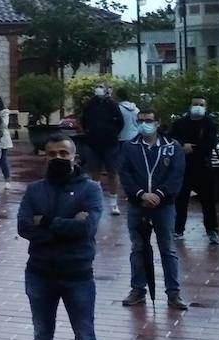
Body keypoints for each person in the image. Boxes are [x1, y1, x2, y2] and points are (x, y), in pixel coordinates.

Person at [16, 133, 102, 340]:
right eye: (52, 154)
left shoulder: (91, 190)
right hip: (40, 273)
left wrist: (48, 222)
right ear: (45, 156)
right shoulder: (34, 190)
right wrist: (67, 225)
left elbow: (87, 229)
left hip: (78, 274)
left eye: (64, 154)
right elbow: (24, 227)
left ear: (74, 157)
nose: (58, 159)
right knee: (42, 336)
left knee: (85, 337)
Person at [118, 107, 188, 310]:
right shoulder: (130, 147)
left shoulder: (172, 147)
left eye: (148, 120)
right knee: (138, 248)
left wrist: (159, 194)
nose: (144, 124)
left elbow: (176, 175)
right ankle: (138, 289)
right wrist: (140, 194)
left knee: (167, 248)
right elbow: (124, 173)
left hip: (163, 205)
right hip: (137, 204)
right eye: (140, 121)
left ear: (158, 123)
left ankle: (173, 292)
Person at [168, 96, 219, 244]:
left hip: (203, 167)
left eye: (201, 104)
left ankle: (212, 231)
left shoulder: (210, 124)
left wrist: (193, 148)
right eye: (195, 104)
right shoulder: (180, 123)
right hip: (183, 167)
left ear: (206, 107)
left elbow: (210, 144)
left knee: (208, 201)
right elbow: (172, 140)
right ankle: (178, 230)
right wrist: (183, 146)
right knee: (180, 200)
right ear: (190, 106)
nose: (198, 106)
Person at [78, 82, 125, 216]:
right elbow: (84, 120)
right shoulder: (90, 104)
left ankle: (113, 203)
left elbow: (120, 122)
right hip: (93, 143)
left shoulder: (112, 105)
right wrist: (89, 132)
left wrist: (112, 133)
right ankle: (95, 200)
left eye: (101, 87)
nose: (98, 89)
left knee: (112, 173)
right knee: (95, 173)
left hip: (110, 144)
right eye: (97, 87)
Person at [113, 87, 140, 217]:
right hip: (135, 139)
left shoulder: (117, 109)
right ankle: (135, 193)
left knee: (119, 169)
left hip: (122, 139)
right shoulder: (136, 109)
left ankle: (120, 196)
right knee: (135, 168)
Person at [0, 93, 14, 185]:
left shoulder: (4, 112)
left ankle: (7, 180)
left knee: (2, 160)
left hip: (2, 138)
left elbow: (4, 124)